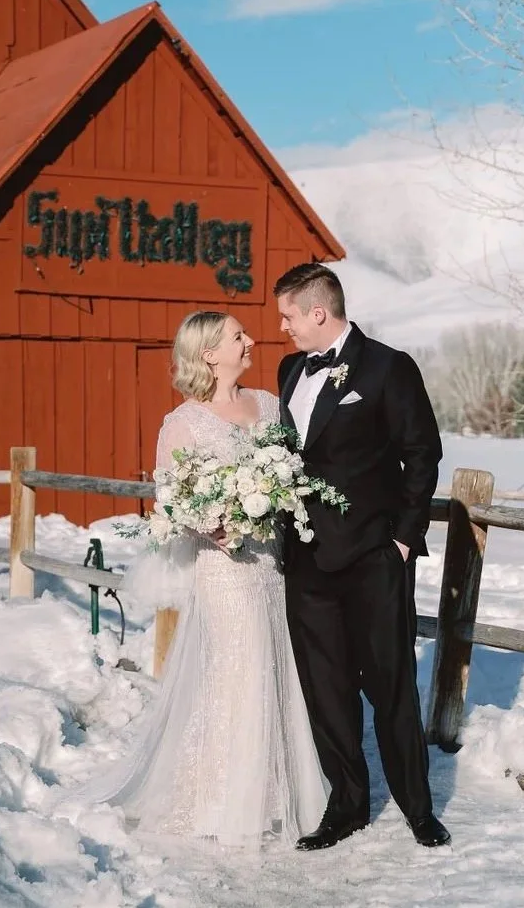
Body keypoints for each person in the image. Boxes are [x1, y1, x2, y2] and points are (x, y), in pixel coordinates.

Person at [65, 310, 328, 851]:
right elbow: (174, 498)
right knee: (238, 669)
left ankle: (279, 792)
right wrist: (218, 525)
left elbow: (295, 472)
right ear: (209, 353)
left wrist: (278, 502)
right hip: (224, 566)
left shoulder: (269, 406)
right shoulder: (182, 422)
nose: (250, 340)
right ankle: (222, 798)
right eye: (238, 336)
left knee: (277, 663)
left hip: (273, 561)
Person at [273, 262, 450, 851]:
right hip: (305, 563)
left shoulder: (388, 367)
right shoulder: (289, 370)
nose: (283, 328)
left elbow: (422, 451)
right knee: (326, 691)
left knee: (391, 686)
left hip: (374, 558)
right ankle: (347, 805)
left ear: (319, 312)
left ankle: (418, 809)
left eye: (289, 316)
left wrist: (402, 539)